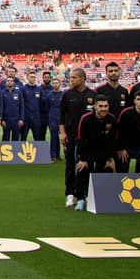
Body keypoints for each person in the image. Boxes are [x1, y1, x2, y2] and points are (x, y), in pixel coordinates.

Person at [58, 68, 96, 208]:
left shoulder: (93, 94)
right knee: (70, 165)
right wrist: (62, 133)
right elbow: (61, 116)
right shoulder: (67, 95)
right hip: (71, 136)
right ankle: (70, 194)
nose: (71, 80)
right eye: (71, 77)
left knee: (87, 165)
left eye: (74, 77)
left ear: (82, 78)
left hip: (88, 138)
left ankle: (85, 193)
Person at [73, 95, 117, 211]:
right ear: (95, 107)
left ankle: (97, 197)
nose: (103, 109)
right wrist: (83, 159)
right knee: (82, 169)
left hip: (102, 150)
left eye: (106, 106)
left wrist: (109, 159)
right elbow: (81, 139)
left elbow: (112, 141)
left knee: (106, 169)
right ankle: (80, 199)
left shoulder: (112, 119)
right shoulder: (86, 119)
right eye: (101, 106)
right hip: (87, 149)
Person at [0, 76, 25, 141]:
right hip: (6, 120)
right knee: (5, 139)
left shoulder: (18, 92)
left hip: (16, 120)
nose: (9, 82)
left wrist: (21, 119)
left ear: (14, 83)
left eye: (11, 81)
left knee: (16, 139)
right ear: (5, 83)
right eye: (8, 81)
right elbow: (1, 107)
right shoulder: (2, 93)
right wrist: (2, 120)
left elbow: (22, 106)